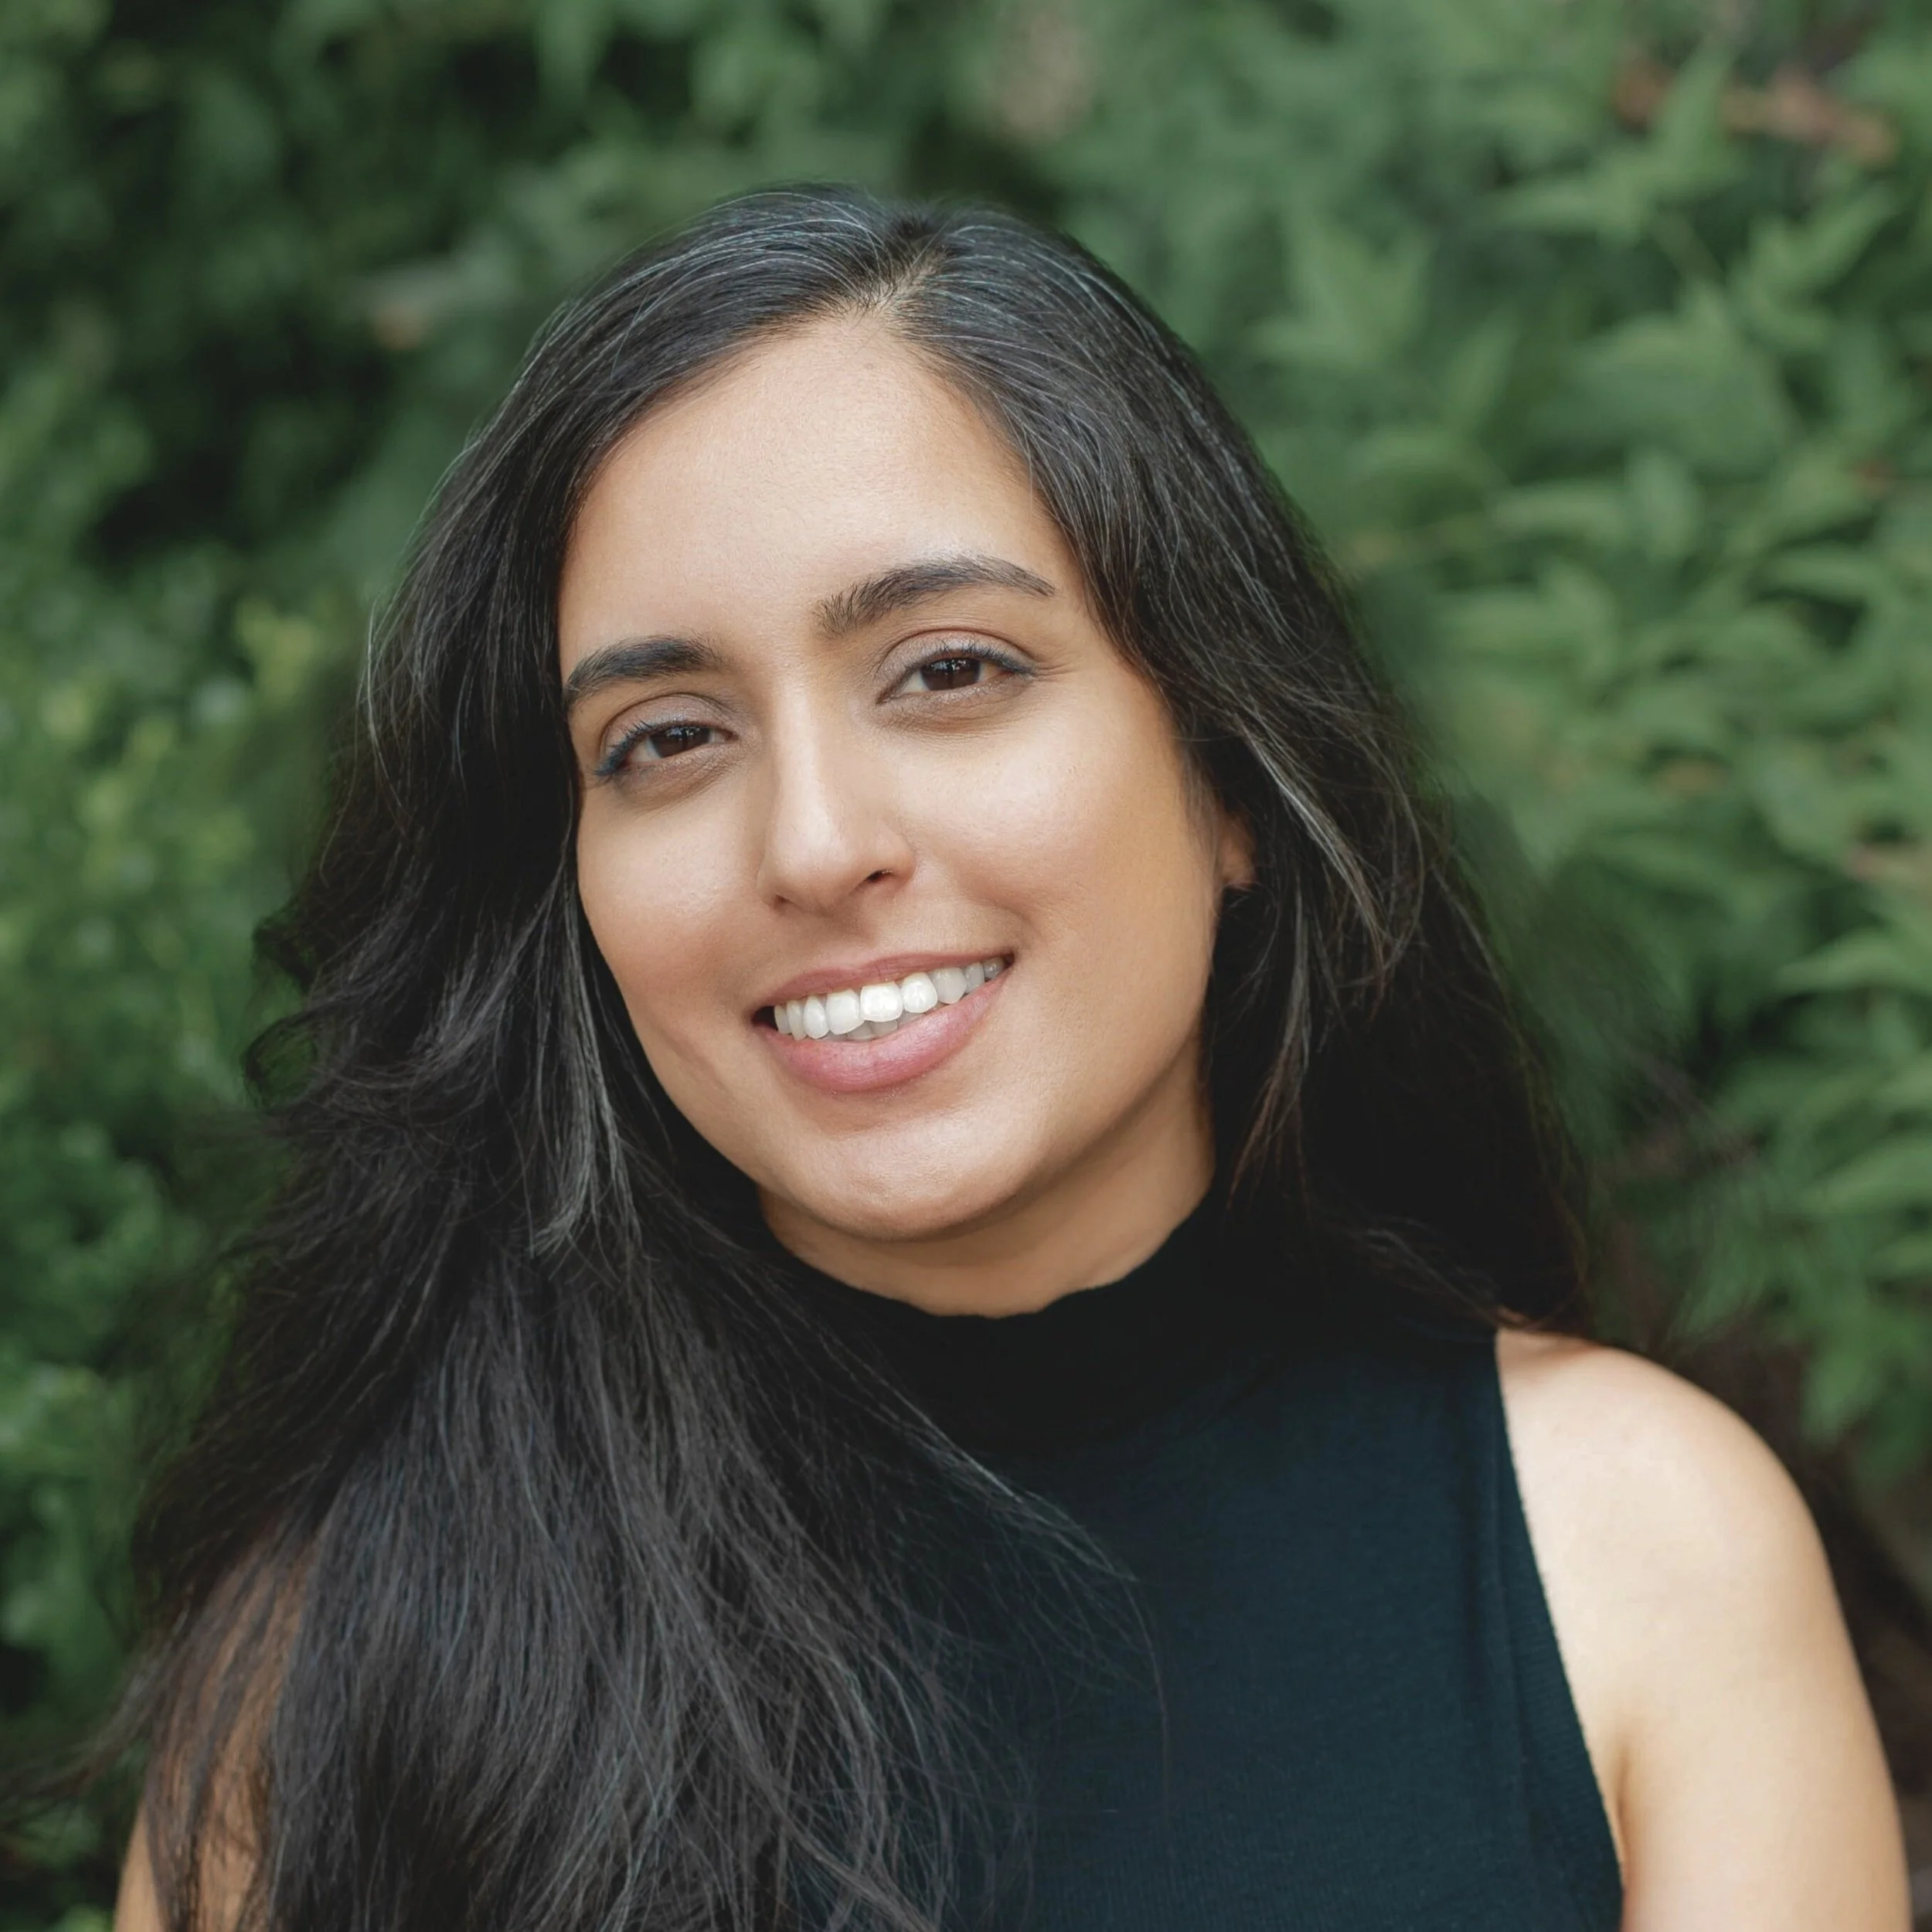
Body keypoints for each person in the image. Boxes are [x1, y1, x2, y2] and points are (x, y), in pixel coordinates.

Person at [110, 189, 1906, 1931]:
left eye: (948, 669)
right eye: (665, 737)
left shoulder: (1630, 1558)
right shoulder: (347, 1655)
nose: (813, 843)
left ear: (1228, 772)